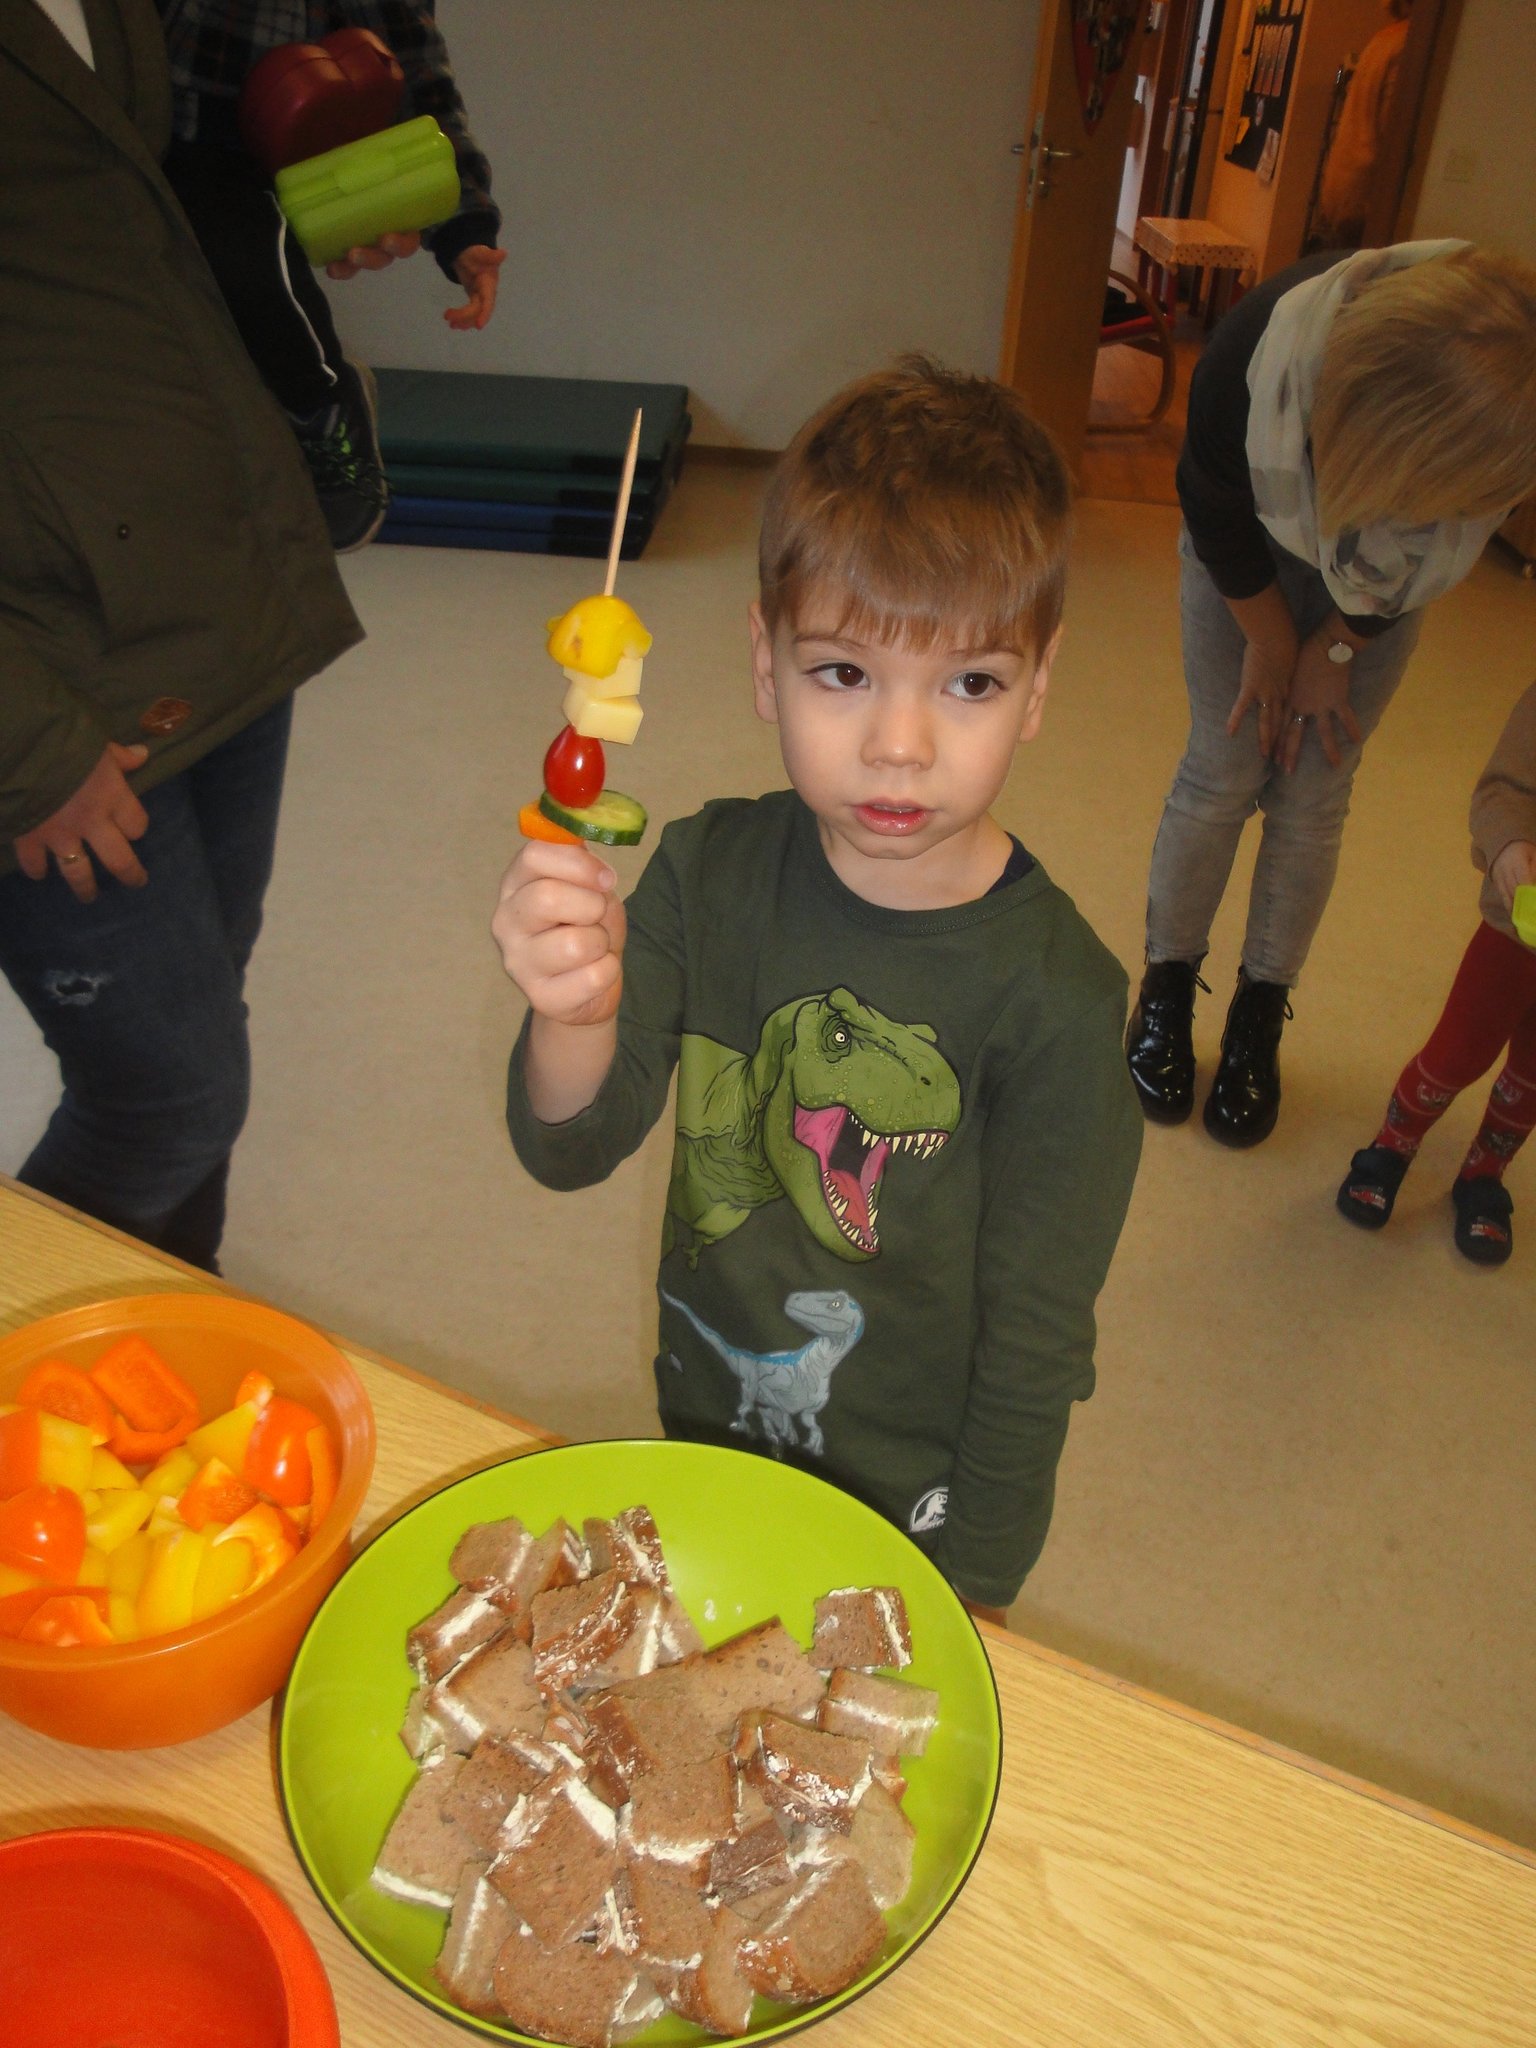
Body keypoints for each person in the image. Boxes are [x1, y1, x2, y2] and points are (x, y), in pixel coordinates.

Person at [493, 360, 1143, 1621]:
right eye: (844, 672)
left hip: (915, 1515)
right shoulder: (704, 869)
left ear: (1039, 687)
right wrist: (574, 1013)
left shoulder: (1058, 999)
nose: (900, 745)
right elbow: (567, 1148)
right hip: (707, 1419)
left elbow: (1039, 1342)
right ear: (766, 663)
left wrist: (977, 1590)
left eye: (970, 682)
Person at [0, 0, 362, 1272]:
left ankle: (172, 1345)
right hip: (57, 661)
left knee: (207, 1031)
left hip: (212, 594)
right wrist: (20, 740)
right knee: (165, 1098)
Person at [1125, 241, 1536, 1148]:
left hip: (1379, 595)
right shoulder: (1255, 355)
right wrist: (1273, 643)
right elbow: (1214, 507)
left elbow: (1431, 555)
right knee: (1223, 770)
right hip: (1248, 546)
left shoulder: (1508, 410)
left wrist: (1340, 646)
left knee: (1313, 794)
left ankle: (1259, 1010)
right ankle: (1164, 988)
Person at [156, 1, 505, 549]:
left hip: (263, 141)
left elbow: (417, 74)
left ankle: (318, 401)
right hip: (139, 121)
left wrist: (464, 225)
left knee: (254, 270)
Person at [1337, 680, 1536, 1265]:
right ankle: (1393, 1145)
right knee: (1458, 1052)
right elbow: (1503, 790)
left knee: (1533, 1075)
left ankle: (1484, 1172)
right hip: (1517, 928)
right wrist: (1508, 844)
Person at [1312, 0, 1413, 251]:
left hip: (1342, 186)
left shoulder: (1382, 40)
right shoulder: (1409, 45)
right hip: (1365, 198)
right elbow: (1394, 135)